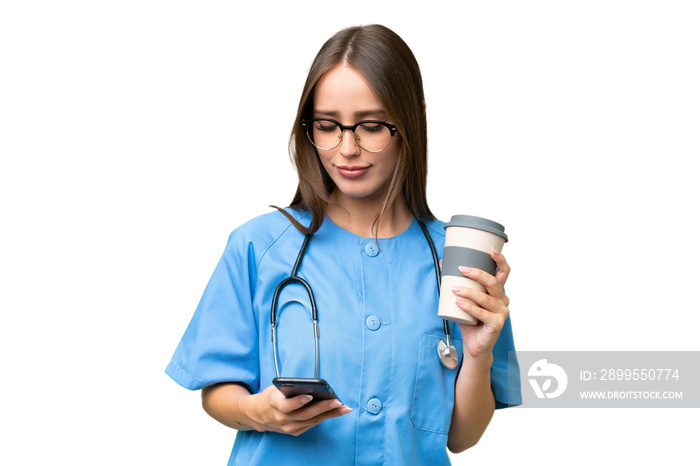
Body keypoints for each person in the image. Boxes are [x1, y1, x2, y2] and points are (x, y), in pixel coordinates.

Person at [166, 24, 521, 465]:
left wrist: (479, 351)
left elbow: (461, 438)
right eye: (327, 126)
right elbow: (215, 391)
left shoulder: (458, 262)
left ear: (409, 121)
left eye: (371, 127)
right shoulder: (257, 246)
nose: (346, 148)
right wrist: (259, 412)